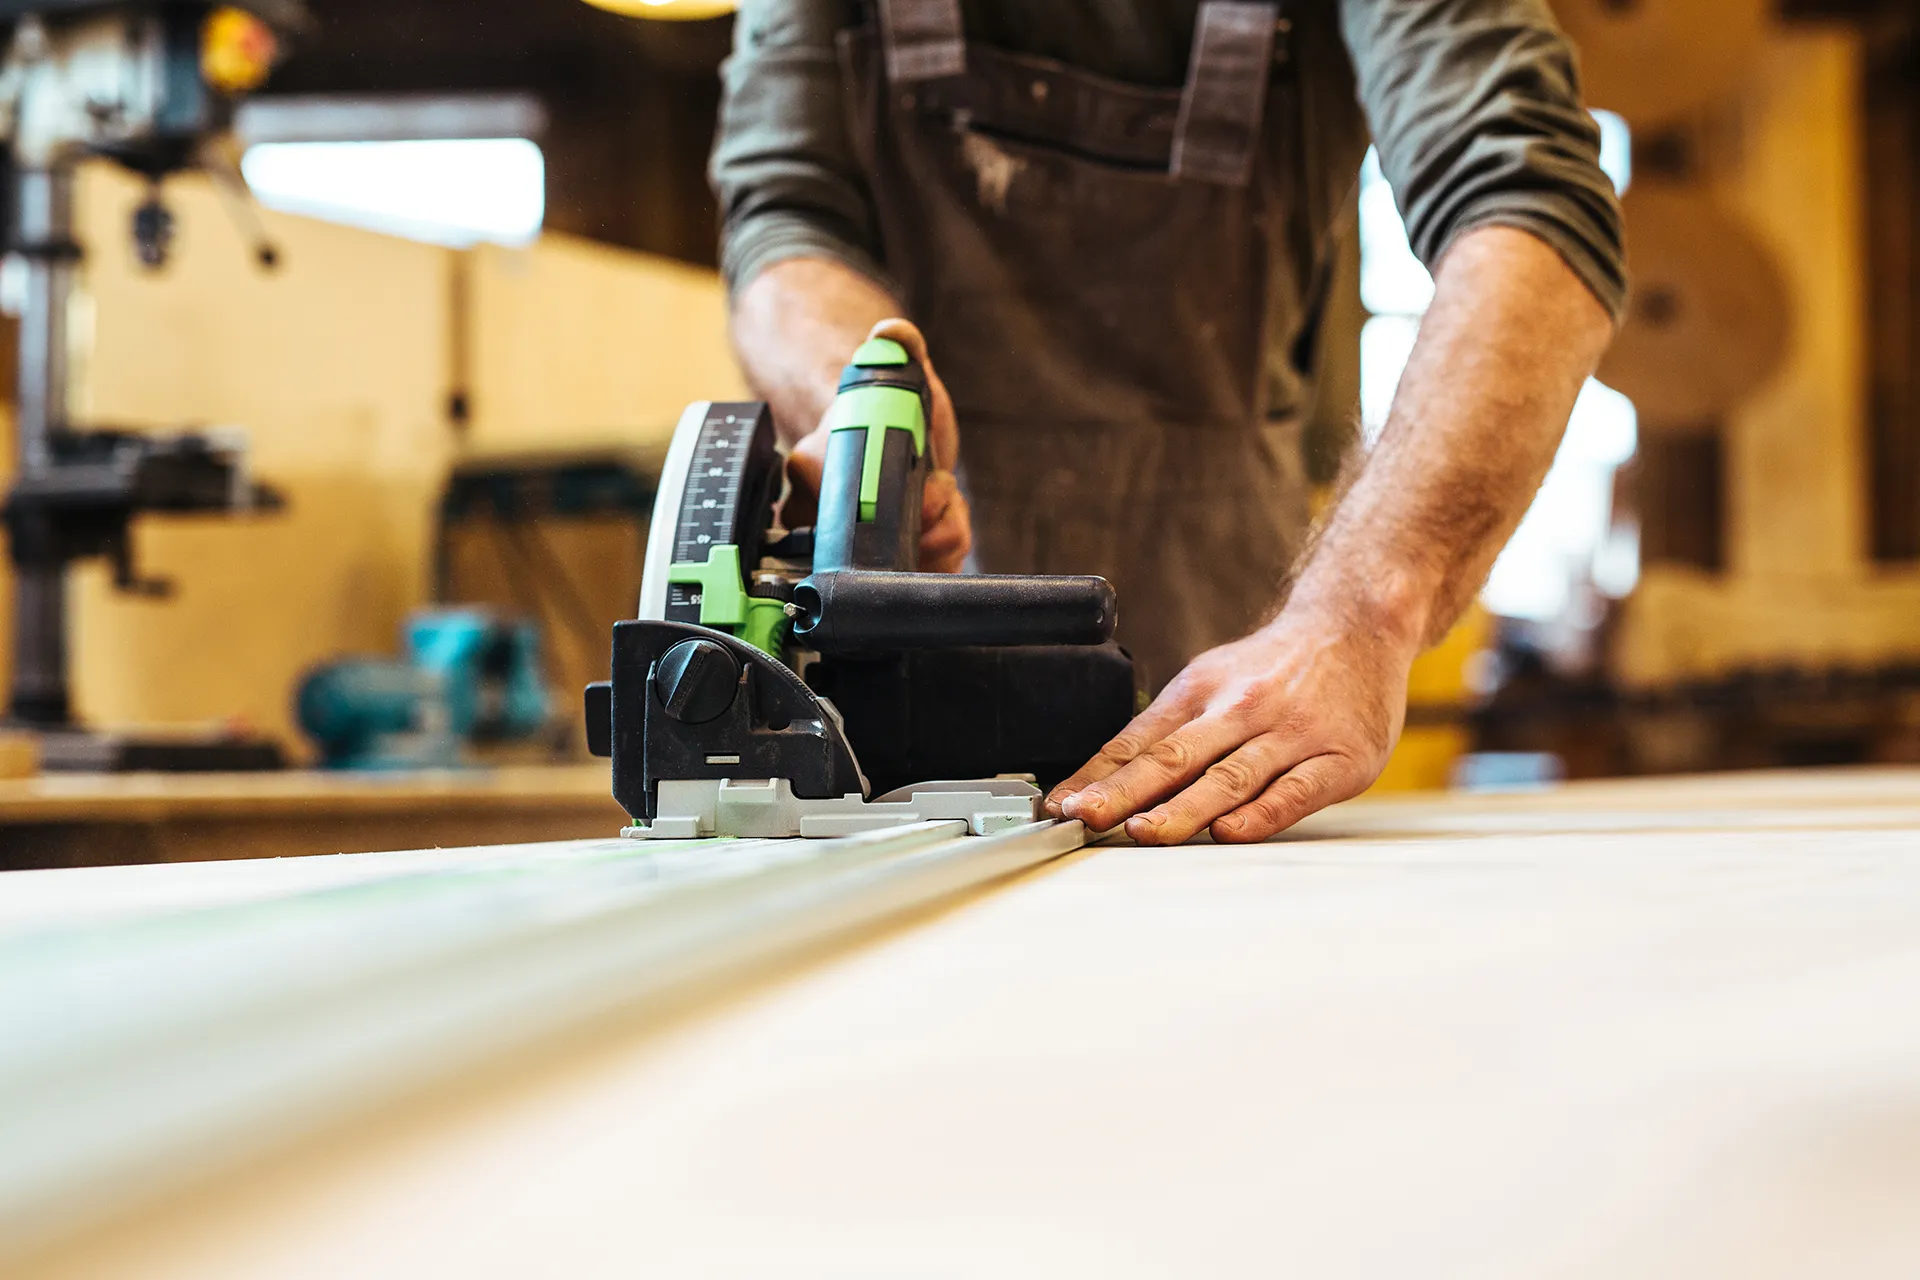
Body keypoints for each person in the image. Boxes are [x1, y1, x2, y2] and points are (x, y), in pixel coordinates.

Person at [710, 0, 1623, 845]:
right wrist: (866, 397)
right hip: (895, 683)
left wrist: (1363, 610)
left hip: (1247, 673)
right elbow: (783, 218)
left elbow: (1532, 202)